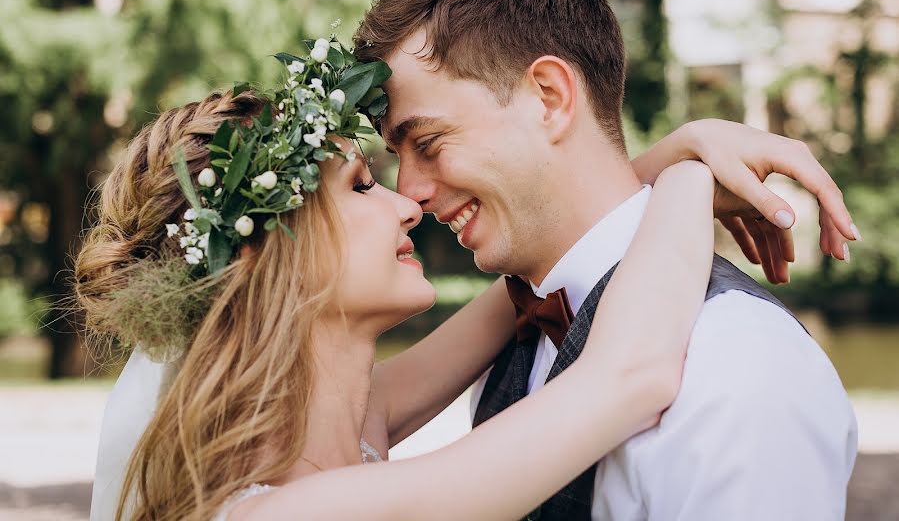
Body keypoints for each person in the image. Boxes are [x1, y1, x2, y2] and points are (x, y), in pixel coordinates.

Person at [353, 0, 858, 520]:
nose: (407, 191)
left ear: (548, 97)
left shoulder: (739, 364)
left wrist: (681, 165)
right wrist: (682, 168)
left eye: (429, 142)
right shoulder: (524, 324)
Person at [78, 75, 719, 519]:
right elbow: (632, 374)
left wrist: (649, 166)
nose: (405, 203)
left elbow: (542, 262)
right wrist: (693, 174)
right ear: (268, 253)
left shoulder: (344, 427)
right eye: (360, 187)